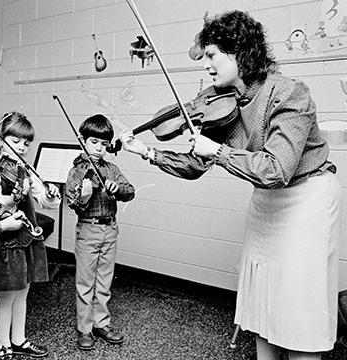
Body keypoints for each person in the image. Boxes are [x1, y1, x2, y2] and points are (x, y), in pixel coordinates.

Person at [119, 10, 341, 360]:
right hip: (266, 200)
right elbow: (196, 166)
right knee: (263, 299)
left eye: (212, 56)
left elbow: (276, 168)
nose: (206, 66)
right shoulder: (223, 102)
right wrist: (146, 151)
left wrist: (219, 150)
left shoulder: (289, 93)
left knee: (299, 302)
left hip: (305, 197)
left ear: (239, 51)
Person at [0, 111, 61, 360]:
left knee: (24, 290)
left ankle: (19, 339)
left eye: (27, 143)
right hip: (7, 241)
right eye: (15, 141)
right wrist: (17, 195)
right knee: (7, 294)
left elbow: (45, 201)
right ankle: (4, 344)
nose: (22, 147)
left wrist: (51, 194)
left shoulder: (25, 170)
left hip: (26, 237)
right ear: (0, 139)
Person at [65, 114, 135, 351]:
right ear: (83, 140)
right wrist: (83, 198)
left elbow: (130, 191)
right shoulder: (77, 171)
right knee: (85, 283)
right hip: (88, 229)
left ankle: (101, 323)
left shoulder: (111, 169)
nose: (99, 149)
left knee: (104, 281)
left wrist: (118, 188)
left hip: (110, 229)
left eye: (104, 145)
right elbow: (72, 202)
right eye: (94, 142)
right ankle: (84, 329)